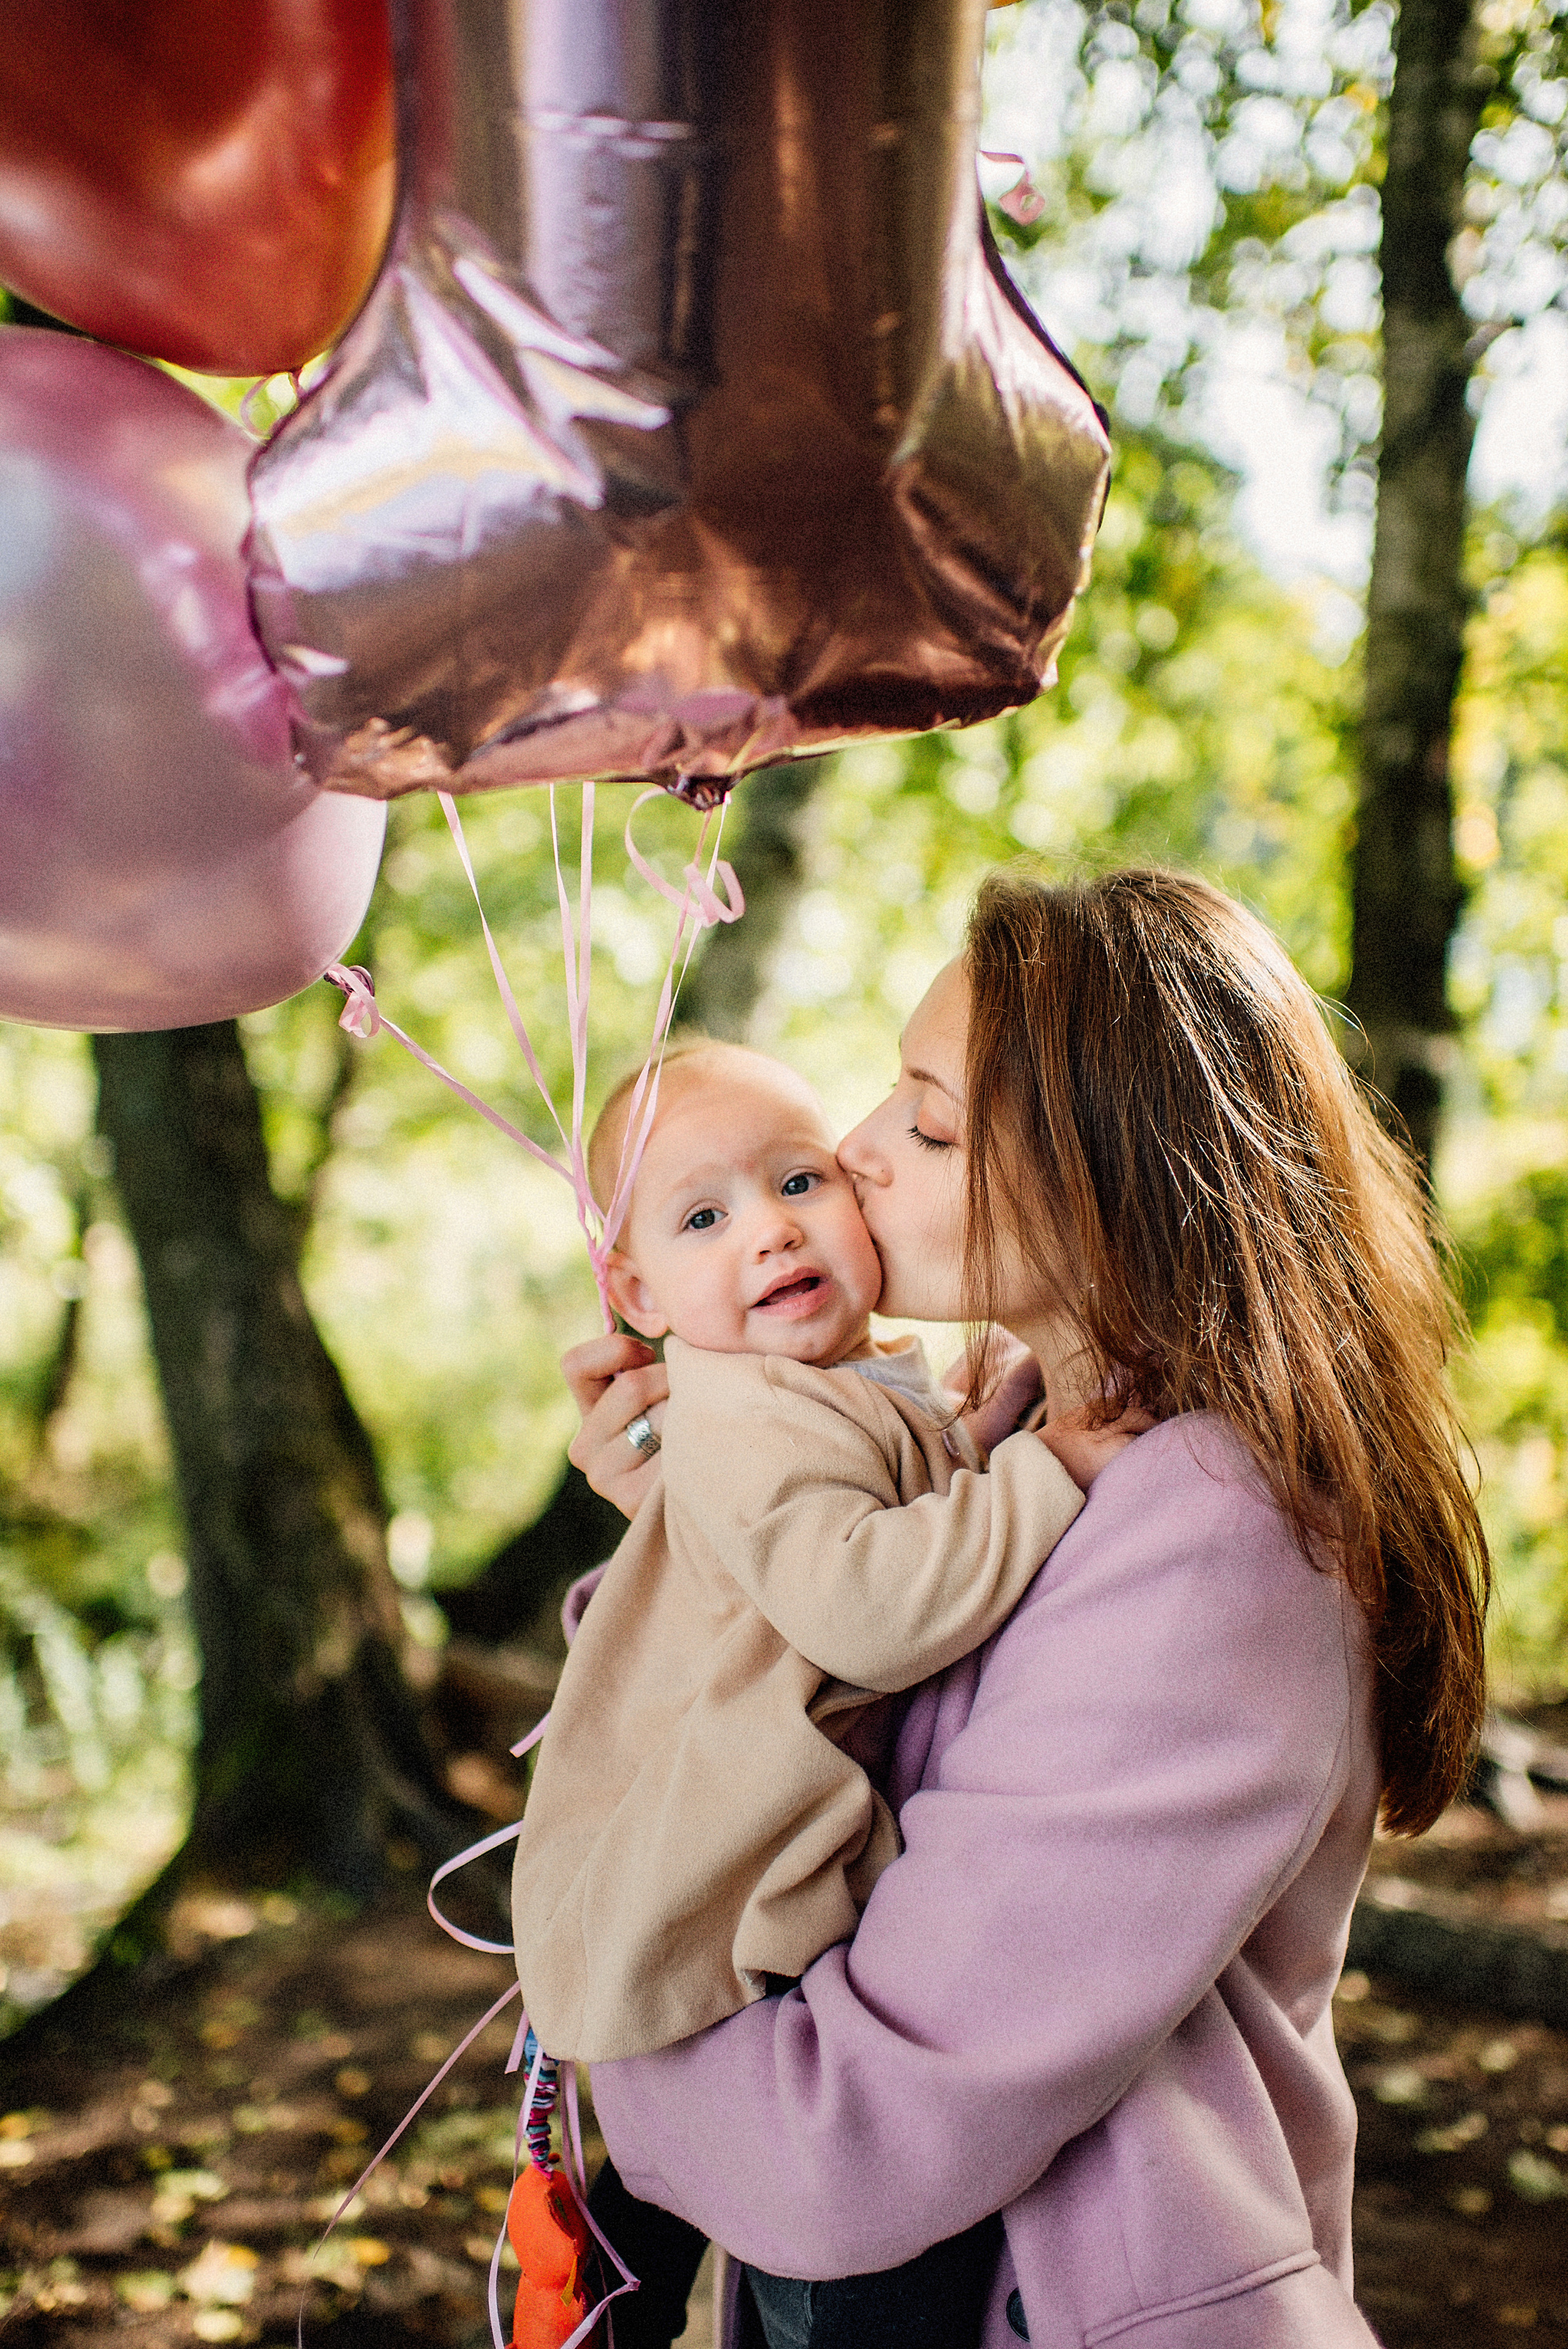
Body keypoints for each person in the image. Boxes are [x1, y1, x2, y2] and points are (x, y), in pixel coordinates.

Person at [562, 868, 1490, 2349]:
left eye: (928, 1126)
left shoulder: (1216, 1534)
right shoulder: (1005, 1440)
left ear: (1117, 1182)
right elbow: (866, 1730)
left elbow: (852, 2135)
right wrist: (699, 1529)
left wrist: (616, 2047)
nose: (855, 1158)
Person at [512, 1040, 1114, 2066]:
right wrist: (1046, 1465)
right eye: (703, 1218)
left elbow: (906, 1493)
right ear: (639, 1294)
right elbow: (870, 1611)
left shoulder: (838, 1381)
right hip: (737, 1895)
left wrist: (989, 1426)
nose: (772, 1228)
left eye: (800, 1181)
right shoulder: (742, 1414)